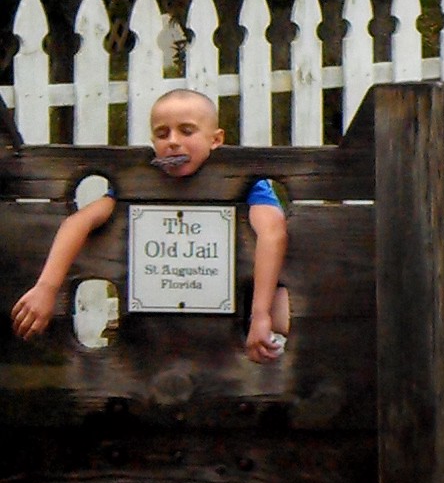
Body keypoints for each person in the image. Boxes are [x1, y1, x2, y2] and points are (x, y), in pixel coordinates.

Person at [10, 88, 290, 362]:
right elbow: (79, 221)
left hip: (239, 306)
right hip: (162, 325)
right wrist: (47, 287)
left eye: (187, 131)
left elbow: (272, 232)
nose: (173, 141)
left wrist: (260, 314)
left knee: (282, 313)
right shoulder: (137, 185)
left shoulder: (249, 183)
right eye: (162, 133)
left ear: (216, 140)